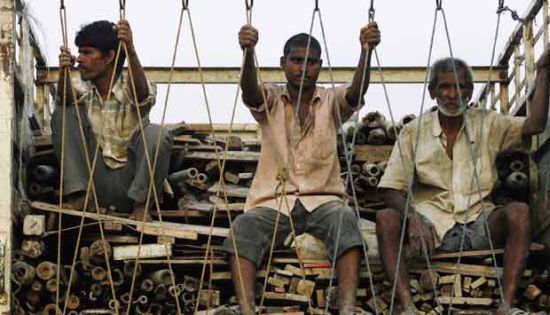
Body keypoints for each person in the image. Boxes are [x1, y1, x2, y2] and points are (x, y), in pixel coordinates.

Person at [222, 22, 380, 315]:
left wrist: (366, 52)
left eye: (311, 62)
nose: (304, 68)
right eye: (296, 61)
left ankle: (347, 307)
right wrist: (248, 53)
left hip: (323, 200)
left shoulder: (331, 101)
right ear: (283, 64)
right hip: (274, 200)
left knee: (345, 219)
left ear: (320, 66)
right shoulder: (271, 100)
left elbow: (356, 93)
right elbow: (250, 92)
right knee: (243, 227)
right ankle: (246, 309)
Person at [376, 52, 550, 315]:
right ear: (432, 91)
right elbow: (391, 188)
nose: (452, 94)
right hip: (432, 227)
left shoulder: (489, 122)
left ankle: (506, 306)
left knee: (519, 212)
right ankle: (408, 306)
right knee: (387, 218)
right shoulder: (413, 131)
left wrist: (543, 70)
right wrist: (413, 217)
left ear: (469, 91)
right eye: (444, 86)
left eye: (460, 86)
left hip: (480, 221)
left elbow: (535, 125)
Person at [53, 20, 172, 222]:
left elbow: (141, 94)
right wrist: (64, 70)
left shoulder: (136, 83)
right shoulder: (81, 88)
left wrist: (131, 50)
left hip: (131, 184)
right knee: (64, 113)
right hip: (94, 182)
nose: (79, 59)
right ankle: (81, 195)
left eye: (87, 52)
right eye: (79, 52)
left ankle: (142, 207)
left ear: (109, 56)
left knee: (156, 133)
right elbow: (64, 99)